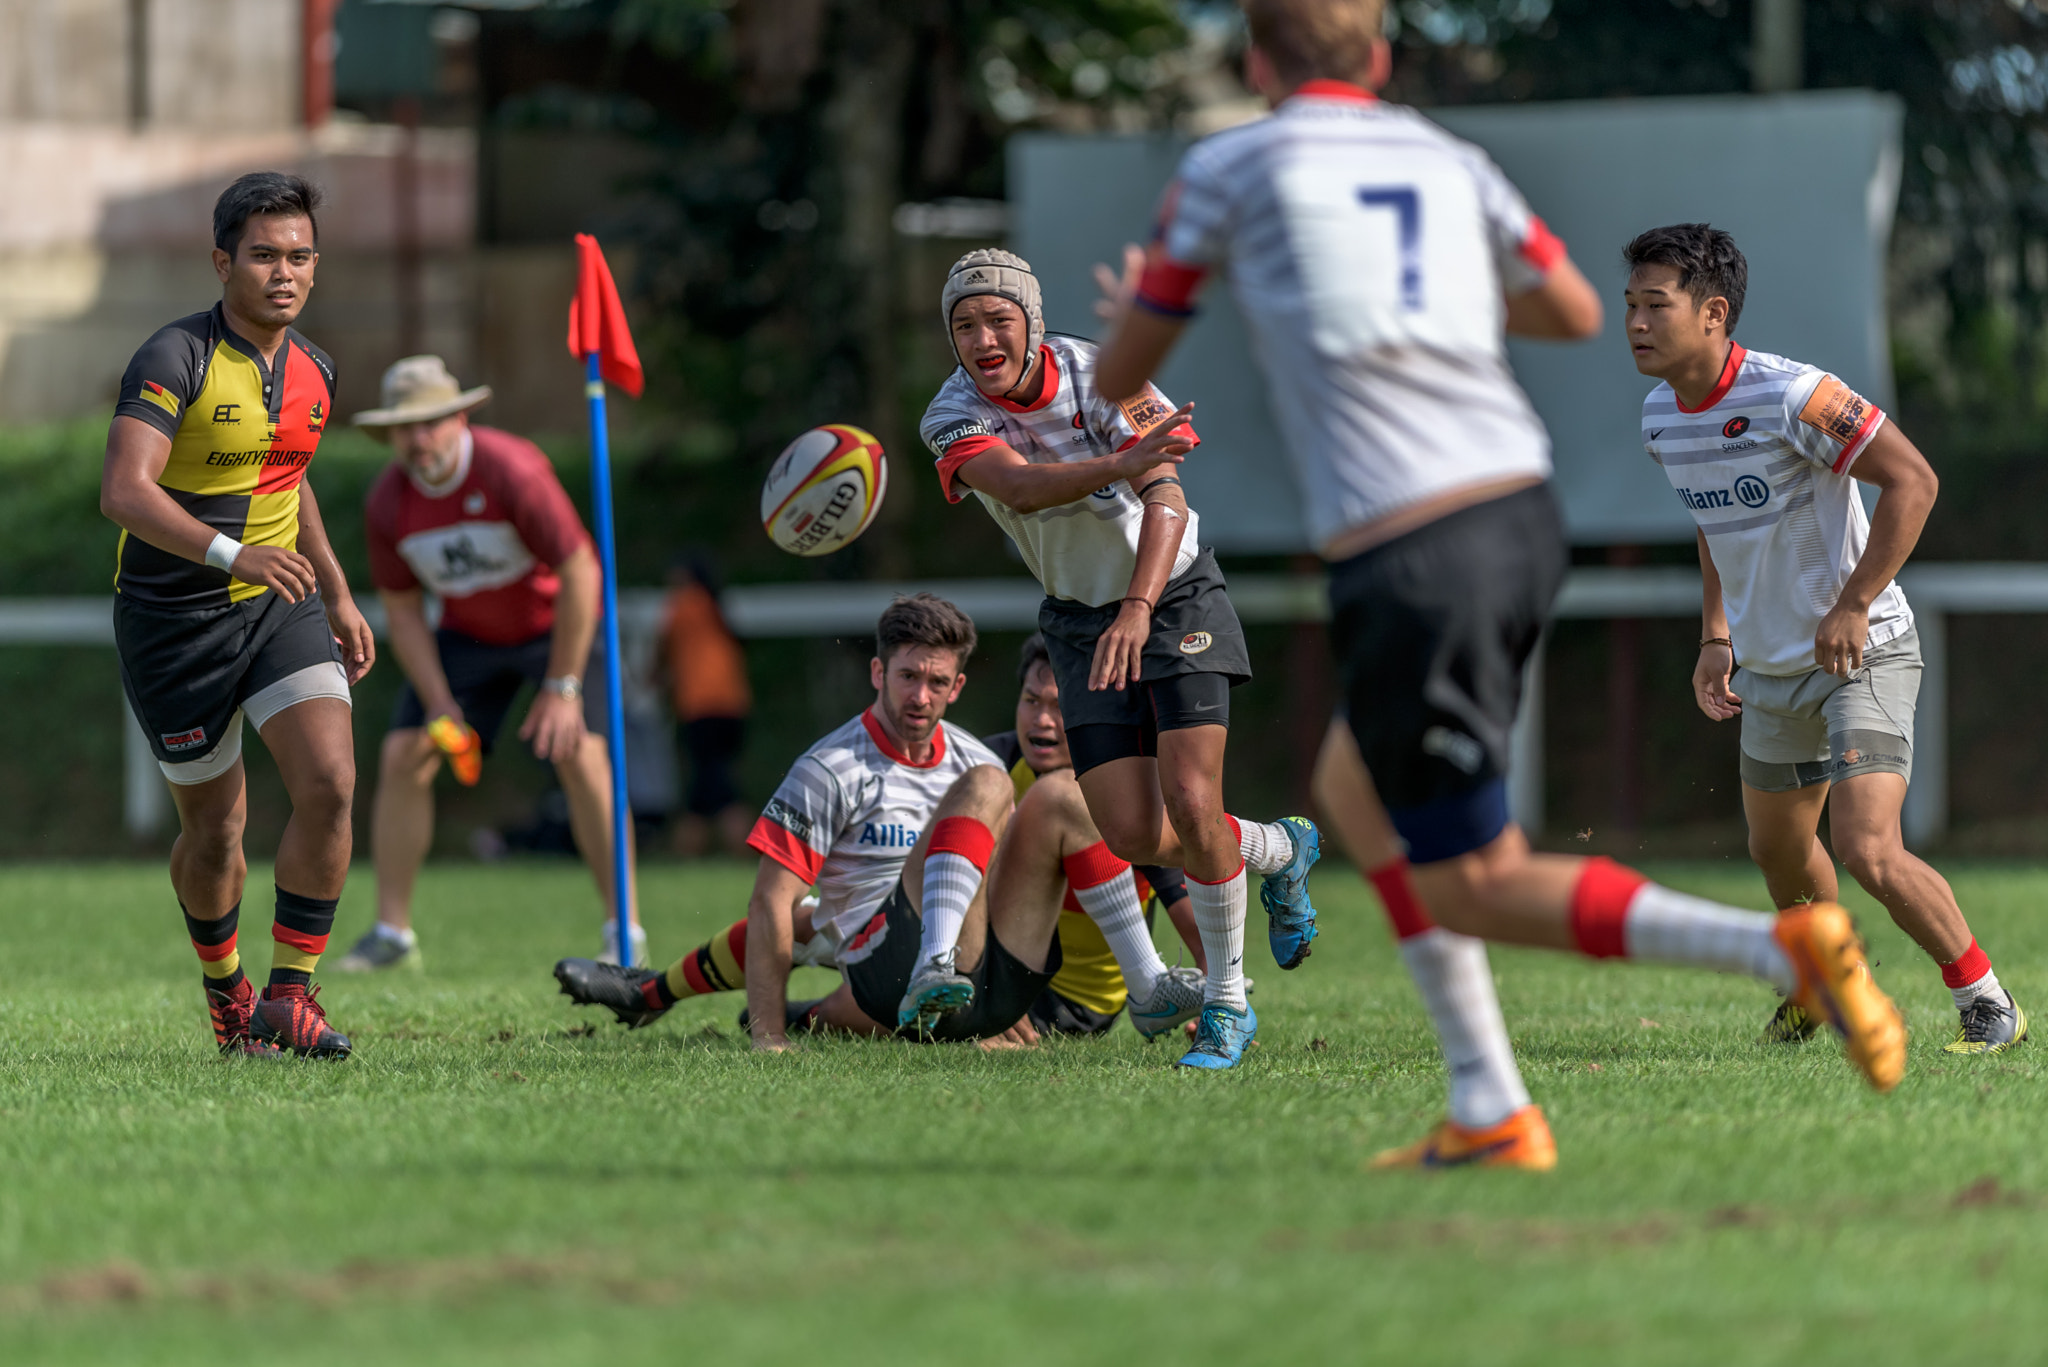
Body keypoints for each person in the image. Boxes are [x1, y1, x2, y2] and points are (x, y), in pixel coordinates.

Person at [1092, 0, 1906, 1166]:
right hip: (1513, 510)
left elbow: (1125, 368)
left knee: (1474, 879)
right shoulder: (1444, 154)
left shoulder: (1229, 163)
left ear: (1256, 62)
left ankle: (1778, 951)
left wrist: (1142, 301)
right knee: (1355, 794)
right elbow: (1571, 310)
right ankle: (1488, 1104)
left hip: (1414, 547)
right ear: (1377, 60)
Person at [1626, 223, 2026, 1054]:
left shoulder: (1793, 395)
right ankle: (1827, 979)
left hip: (1863, 649)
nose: (1634, 322)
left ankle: (1989, 1002)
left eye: (1654, 305)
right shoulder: (1662, 416)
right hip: (1770, 669)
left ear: (1713, 313)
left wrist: (1854, 600)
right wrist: (1715, 635)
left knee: (1868, 848)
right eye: (1630, 304)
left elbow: (1914, 481)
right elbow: (1713, 521)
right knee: (1777, 852)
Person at [920, 247, 1321, 1070]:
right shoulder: (950, 414)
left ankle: (1225, 1005)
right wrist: (1118, 467)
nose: (983, 337)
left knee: (1191, 795)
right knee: (1139, 832)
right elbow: (1022, 486)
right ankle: (1280, 848)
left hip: (1174, 596)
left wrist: (1140, 609)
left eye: (999, 318)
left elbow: (1167, 500)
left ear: (1031, 321)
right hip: (1076, 617)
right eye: (964, 324)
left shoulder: (1104, 374)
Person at [552, 597, 1210, 1047]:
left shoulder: (999, 761)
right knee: (804, 915)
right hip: (882, 966)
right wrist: (768, 1036)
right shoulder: (834, 767)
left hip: (1011, 973)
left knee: (1062, 795)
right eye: (906, 676)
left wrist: (1008, 1003)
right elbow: (770, 902)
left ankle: (1147, 984)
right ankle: (660, 993)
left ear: (957, 686)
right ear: (878, 672)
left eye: (935, 681)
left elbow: (1033, 884)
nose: (919, 695)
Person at [100, 171, 373, 1060]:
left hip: (274, 606)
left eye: (299, 256)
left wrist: (334, 589)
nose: (284, 272)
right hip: (172, 621)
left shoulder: (317, 371)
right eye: (263, 255)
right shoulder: (173, 356)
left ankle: (291, 994)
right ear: (224, 263)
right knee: (215, 829)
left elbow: (291, 487)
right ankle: (229, 995)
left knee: (330, 782)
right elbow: (124, 492)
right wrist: (230, 553)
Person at [334, 355, 643, 973]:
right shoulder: (387, 503)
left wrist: (563, 686)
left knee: (582, 754)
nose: (417, 440)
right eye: (403, 427)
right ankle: (392, 934)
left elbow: (582, 571)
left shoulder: (512, 470)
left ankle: (622, 930)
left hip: (555, 629)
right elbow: (403, 611)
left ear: (460, 418)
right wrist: (441, 701)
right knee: (403, 755)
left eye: (430, 423)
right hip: (467, 637)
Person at [979, 633, 1205, 1037]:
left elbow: (1191, 910)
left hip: (1074, 1005)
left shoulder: (1135, 794)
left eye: (1060, 705)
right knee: (859, 1009)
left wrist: (1222, 1004)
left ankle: (1148, 987)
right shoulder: (988, 768)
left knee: (1060, 796)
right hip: (992, 973)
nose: (1042, 720)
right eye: (1031, 701)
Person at [656, 552, 753, 857]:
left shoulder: (684, 604)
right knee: (708, 783)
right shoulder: (716, 607)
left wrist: (653, 680)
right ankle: (687, 851)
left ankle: (745, 848)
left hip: (700, 707)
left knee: (716, 786)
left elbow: (662, 649)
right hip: (733, 708)